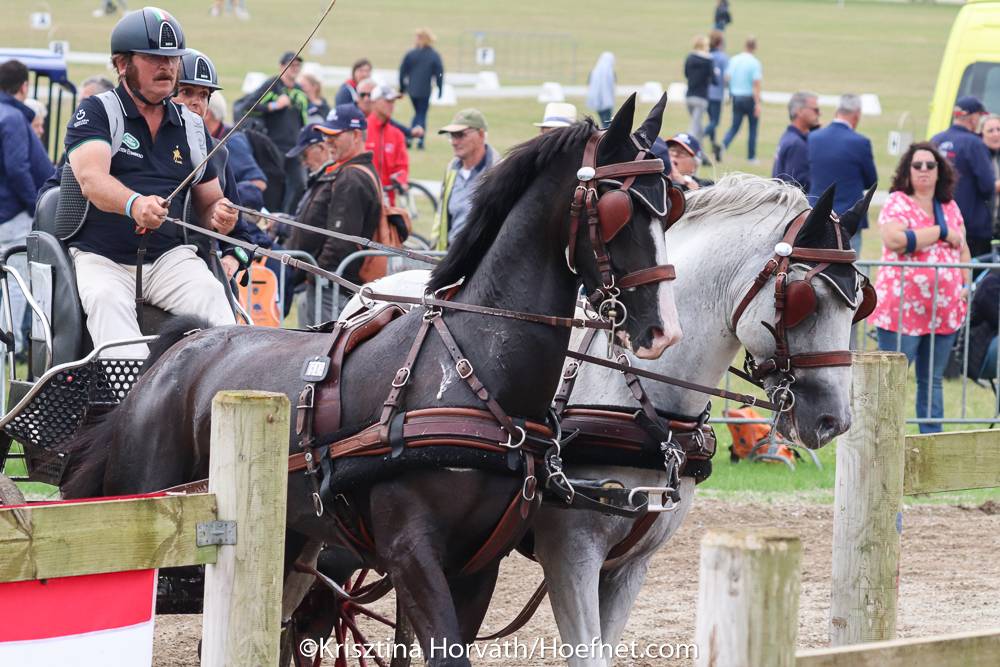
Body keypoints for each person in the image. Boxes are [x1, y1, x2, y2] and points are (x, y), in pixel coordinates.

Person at [63, 8, 237, 359]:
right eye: (154, 58)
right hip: (103, 257)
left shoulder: (191, 125)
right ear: (122, 64)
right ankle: (134, 391)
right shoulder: (96, 111)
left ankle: (226, 389)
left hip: (169, 258)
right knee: (106, 300)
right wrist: (135, 204)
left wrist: (220, 215)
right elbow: (91, 179)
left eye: (172, 58)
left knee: (211, 294)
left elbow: (209, 201)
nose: (167, 67)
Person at [870, 143, 970, 434]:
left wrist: (965, 284)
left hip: (944, 311)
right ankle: (883, 441)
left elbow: (963, 249)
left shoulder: (950, 207)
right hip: (901, 311)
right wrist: (940, 232)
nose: (924, 170)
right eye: (917, 165)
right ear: (908, 170)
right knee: (892, 381)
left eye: (930, 165)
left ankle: (931, 441)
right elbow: (894, 240)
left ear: (940, 171)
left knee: (932, 381)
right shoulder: (898, 202)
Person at [172, 48, 271, 280]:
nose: (196, 102)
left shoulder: (218, 153)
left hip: (201, 271)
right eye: (186, 92)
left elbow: (241, 236)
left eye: (203, 95)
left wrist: (232, 259)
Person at [289, 105, 381, 320]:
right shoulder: (352, 171)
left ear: (356, 135)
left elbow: (341, 240)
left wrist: (316, 275)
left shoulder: (351, 177)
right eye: (326, 135)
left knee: (321, 341)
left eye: (335, 135)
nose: (328, 141)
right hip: (334, 286)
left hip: (333, 288)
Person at [0, 59, 55, 356]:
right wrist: (37, 207)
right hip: (12, 217)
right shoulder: (12, 118)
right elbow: (17, 168)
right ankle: (9, 349)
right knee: (15, 287)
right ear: (24, 86)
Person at [807, 94, 877, 252]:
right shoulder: (860, 142)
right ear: (857, 115)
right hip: (848, 217)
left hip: (817, 214)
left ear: (837, 111)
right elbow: (871, 180)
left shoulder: (813, 138)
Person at [932, 96, 1000, 259]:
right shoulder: (974, 144)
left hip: (938, 222)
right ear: (973, 117)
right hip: (972, 227)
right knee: (972, 271)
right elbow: (987, 186)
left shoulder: (936, 140)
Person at [245, 50, 309, 212]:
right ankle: (271, 217)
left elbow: (304, 119)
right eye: (291, 65)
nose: (295, 68)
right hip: (273, 146)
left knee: (298, 183)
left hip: (294, 147)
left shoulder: (300, 91)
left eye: (298, 65)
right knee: (274, 185)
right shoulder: (272, 86)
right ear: (282, 66)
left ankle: (286, 218)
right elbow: (249, 106)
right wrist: (274, 105)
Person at [432, 109, 499, 250]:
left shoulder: (498, 172)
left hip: (484, 259)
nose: (454, 142)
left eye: (460, 135)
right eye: (452, 136)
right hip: (451, 256)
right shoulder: (451, 170)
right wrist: (435, 250)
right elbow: (441, 218)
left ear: (481, 134)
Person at [398, 28, 443, 150]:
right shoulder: (434, 55)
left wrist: (402, 87)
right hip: (425, 90)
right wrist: (440, 87)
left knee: (418, 113)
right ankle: (419, 139)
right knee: (421, 113)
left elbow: (402, 71)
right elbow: (439, 73)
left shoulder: (411, 54)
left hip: (412, 90)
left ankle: (410, 137)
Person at [364, 85, 409, 205]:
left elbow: (402, 166)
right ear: (374, 102)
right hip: (363, 199)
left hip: (388, 202)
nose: (391, 105)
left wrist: (401, 180)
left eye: (393, 102)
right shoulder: (361, 131)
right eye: (388, 101)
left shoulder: (397, 135)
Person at [722, 36, 762, 165]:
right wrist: (757, 103)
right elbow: (756, 84)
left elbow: (727, 77)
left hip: (736, 97)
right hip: (749, 98)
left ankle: (722, 147)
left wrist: (730, 92)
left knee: (735, 127)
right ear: (755, 47)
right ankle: (751, 157)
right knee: (752, 128)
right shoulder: (754, 62)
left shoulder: (734, 59)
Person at [772, 91, 819, 192]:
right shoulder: (796, 144)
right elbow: (798, 186)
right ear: (800, 111)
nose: (819, 113)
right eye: (815, 110)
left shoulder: (788, 137)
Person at [704, 30, 729, 163]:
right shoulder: (722, 57)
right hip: (716, 94)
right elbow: (726, 76)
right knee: (715, 122)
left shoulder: (707, 55)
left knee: (711, 120)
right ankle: (700, 135)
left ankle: (714, 146)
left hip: (705, 92)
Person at [684, 36, 713, 140]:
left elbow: (686, 74)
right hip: (701, 97)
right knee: (694, 125)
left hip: (689, 96)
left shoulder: (689, 58)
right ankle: (686, 143)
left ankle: (700, 147)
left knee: (697, 123)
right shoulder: (708, 61)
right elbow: (713, 78)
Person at [982, 114, 1000, 239]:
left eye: (999, 129)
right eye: (990, 131)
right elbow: (985, 187)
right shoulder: (977, 157)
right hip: (982, 226)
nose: (996, 134)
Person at [586, 52, 616, 128]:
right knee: (607, 122)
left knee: (604, 121)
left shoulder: (595, 71)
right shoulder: (609, 72)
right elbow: (611, 86)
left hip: (597, 101)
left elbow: (589, 83)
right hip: (607, 101)